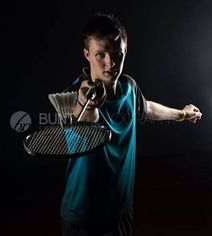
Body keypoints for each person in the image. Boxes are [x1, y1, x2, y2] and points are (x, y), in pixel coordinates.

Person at [59, 13, 202, 236]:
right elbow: (85, 126)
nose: (110, 63)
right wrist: (88, 104)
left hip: (121, 208)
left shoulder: (129, 87)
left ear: (125, 52)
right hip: (84, 215)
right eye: (100, 54)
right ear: (87, 54)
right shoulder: (73, 96)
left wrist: (182, 114)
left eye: (117, 54)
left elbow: (147, 109)